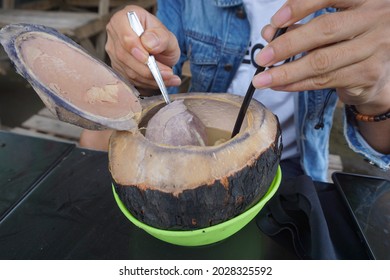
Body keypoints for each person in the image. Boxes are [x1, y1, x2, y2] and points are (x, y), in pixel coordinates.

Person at [80, 0, 390, 182]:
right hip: (195, 167)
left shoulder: (360, 9)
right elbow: (152, 80)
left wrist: (376, 95)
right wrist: (133, 64)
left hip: (298, 174)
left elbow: (381, 147)